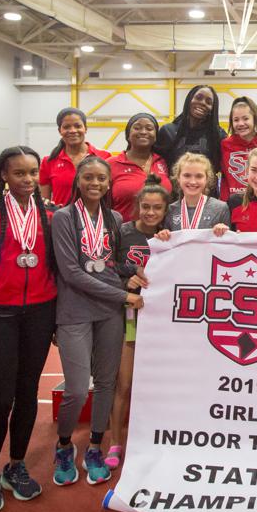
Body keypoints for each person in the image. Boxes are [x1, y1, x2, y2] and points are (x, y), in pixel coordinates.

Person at [0, 146, 56, 512]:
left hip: (40, 312)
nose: (29, 180)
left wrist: (58, 322)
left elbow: (59, 269)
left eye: (33, 172)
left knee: (28, 394)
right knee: (1, 398)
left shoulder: (52, 214)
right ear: (4, 175)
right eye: (20, 173)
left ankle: (16, 465)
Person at [51, 156, 143, 486]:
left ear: (108, 184)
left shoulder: (115, 218)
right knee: (76, 389)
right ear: (78, 181)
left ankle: (94, 446)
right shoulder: (63, 218)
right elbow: (72, 272)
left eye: (101, 179)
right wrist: (123, 296)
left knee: (106, 383)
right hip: (75, 310)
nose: (95, 183)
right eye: (88, 177)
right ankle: (63, 446)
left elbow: (114, 263)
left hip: (108, 313)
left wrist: (138, 273)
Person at [106, 176, 170, 470]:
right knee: (125, 382)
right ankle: (115, 441)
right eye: (145, 207)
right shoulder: (123, 232)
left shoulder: (171, 237)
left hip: (162, 320)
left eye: (157, 208)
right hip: (131, 315)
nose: (151, 213)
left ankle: (155, 440)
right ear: (137, 206)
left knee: (159, 384)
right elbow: (106, 266)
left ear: (165, 210)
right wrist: (126, 277)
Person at [39, 107, 111, 206]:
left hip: (96, 219)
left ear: (85, 129)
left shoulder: (104, 157)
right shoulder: (48, 161)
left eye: (77, 126)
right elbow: (44, 202)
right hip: (61, 219)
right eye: (66, 127)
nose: (72, 130)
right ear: (60, 130)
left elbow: (110, 196)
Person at [108, 113, 172, 221]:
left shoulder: (163, 162)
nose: (143, 132)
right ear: (128, 135)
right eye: (137, 128)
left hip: (161, 234)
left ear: (156, 136)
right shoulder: (111, 164)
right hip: (123, 234)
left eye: (149, 128)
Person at [155, 85, 226, 173]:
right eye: (198, 97)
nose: (203, 103)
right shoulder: (168, 131)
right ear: (189, 99)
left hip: (206, 186)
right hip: (173, 186)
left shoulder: (218, 135)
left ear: (212, 109)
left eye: (208, 102)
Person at [165, 153, 231, 232]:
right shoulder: (170, 210)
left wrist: (223, 231)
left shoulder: (220, 208)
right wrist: (163, 235)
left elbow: (228, 242)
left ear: (207, 179)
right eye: (187, 175)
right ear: (178, 178)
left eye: (199, 176)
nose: (193, 182)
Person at [220, 97, 257, 201]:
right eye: (236, 120)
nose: (241, 124)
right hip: (232, 203)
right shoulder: (225, 145)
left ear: (255, 118)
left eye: (245, 118)